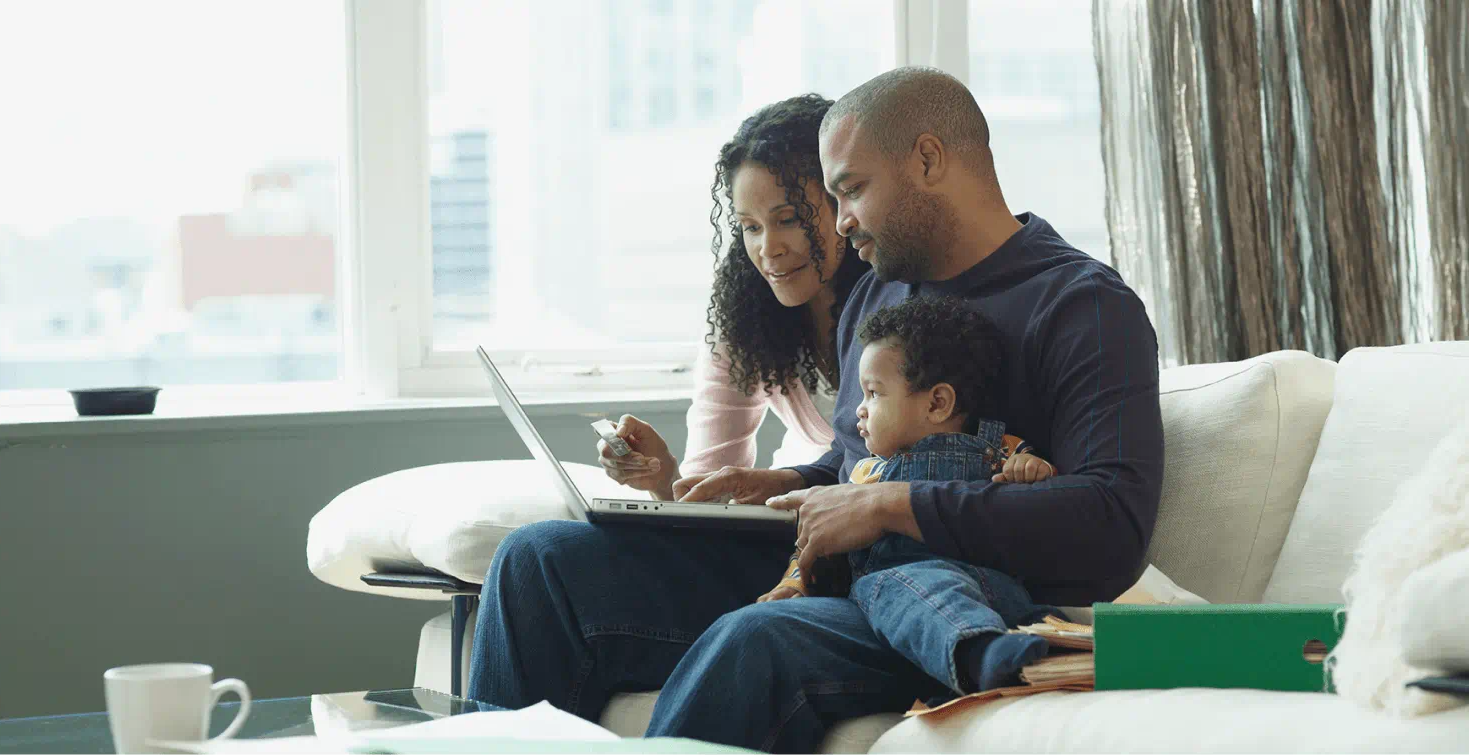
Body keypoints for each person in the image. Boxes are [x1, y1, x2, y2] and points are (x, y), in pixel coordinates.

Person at [469, 67, 1164, 755]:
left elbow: (1113, 525)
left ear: (928, 159)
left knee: (755, 639)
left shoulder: (1082, 307)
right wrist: (787, 483)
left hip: (949, 599)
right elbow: (854, 463)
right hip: (833, 571)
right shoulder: (876, 298)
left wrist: (895, 505)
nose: (840, 221)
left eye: (852, 190)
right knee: (539, 563)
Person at [761, 295, 1063, 697]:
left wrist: (1032, 470)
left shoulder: (999, 448)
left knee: (1032, 614)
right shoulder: (867, 473)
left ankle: (1041, 649)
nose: (859, 411)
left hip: (993, 584)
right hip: (905, 590)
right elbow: (816, 542)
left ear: (937, 402)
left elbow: (1046, 497)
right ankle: (986, 656)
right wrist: (794, 585)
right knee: (890, 588)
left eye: (873, 393)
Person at [594, 93, 870, 502]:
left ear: (842, 204)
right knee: (538, 545)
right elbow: (703, 490)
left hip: (833, 513)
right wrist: (662, 473)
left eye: (788, 219)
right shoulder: (748, 318)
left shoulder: (891, 300)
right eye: (751, 227)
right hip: (780, 520)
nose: (768, 248)